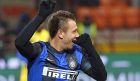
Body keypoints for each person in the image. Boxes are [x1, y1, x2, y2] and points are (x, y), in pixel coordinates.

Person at [15, 0, 107, 81]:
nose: (77, 35)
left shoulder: (77, 55)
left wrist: (90, 48)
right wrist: (39, 17)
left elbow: (101, 77)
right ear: (61, 34)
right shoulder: (40, 51)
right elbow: (20, 44)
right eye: (74, 31)